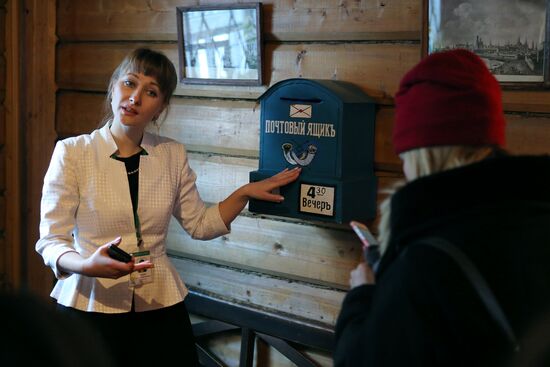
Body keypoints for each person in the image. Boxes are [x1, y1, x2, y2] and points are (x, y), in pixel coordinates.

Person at [36, 47, 301, 367]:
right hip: (89, 306)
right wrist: (86, 265)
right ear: (113, 87)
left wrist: (243, 193)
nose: (135, 98)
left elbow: (200, 224)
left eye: (151, 92)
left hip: (159, 308)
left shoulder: (171, 155)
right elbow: (52, 241)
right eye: (129, 83)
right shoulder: (72, 153)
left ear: (160, 108)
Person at [334, 49, 550, 367]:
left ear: (419, 154)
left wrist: (362, 296)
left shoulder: (424, 265)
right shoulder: (536, 217)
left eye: (405, 156)